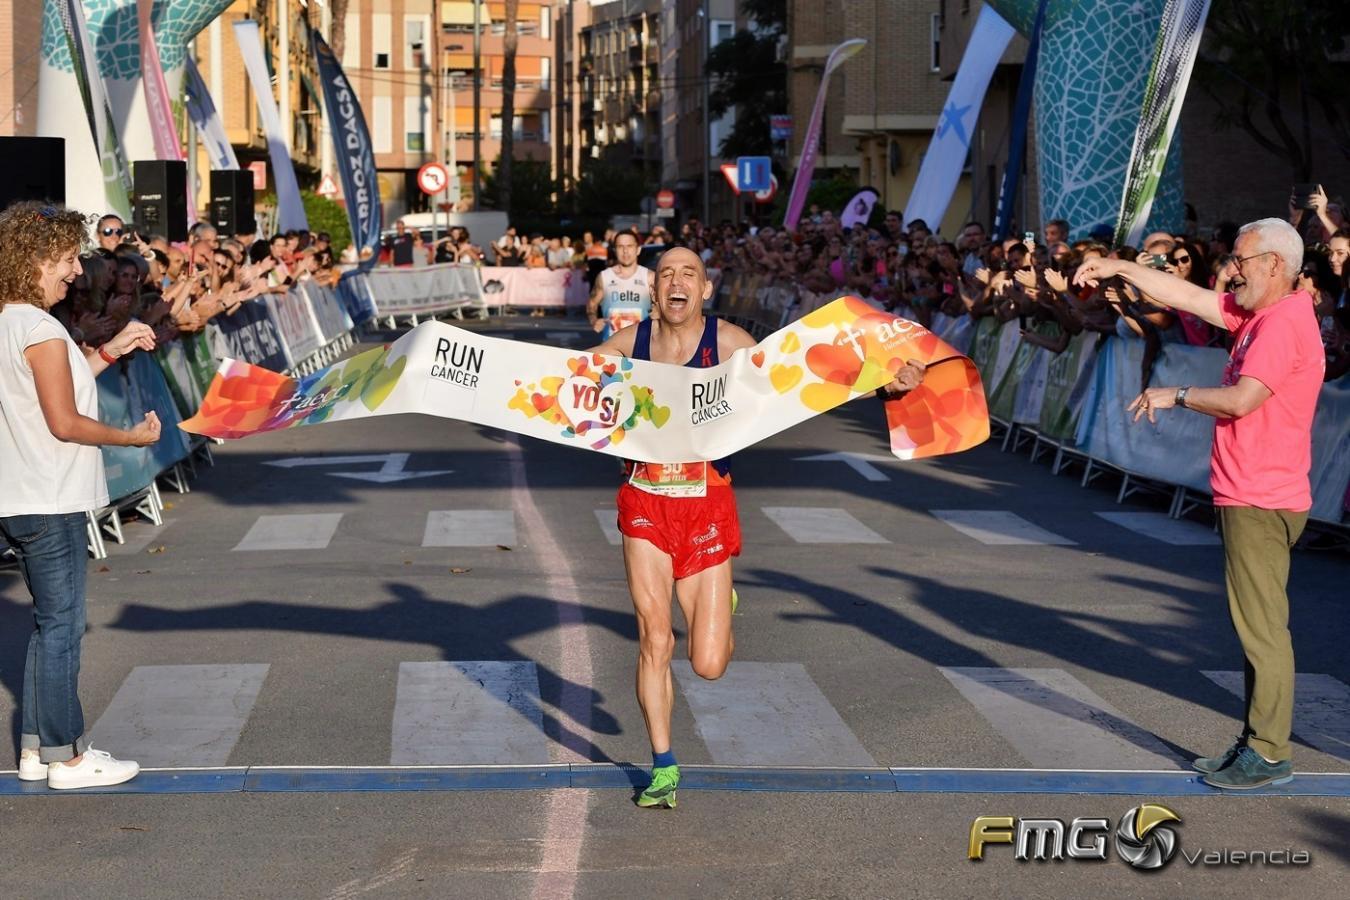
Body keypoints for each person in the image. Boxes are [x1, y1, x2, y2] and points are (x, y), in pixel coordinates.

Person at [590, 247, 927, 808]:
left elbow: (800, 379)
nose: (676, 282)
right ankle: (663, 766)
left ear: (705, 289)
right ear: (654, 289)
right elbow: (560, 384)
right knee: (655, 637)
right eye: (666, 274)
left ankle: (723, 602)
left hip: (707, 503)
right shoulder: (631, 343)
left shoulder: (728, 343)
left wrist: (882, 385)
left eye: (688, 274)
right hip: (644, 500)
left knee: (708, 663)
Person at [1075, 218, 1324, 790]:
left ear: (1275, 266)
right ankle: (1256, 742)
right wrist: (1119, 266)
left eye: (1241, 260)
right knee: (1255, 627)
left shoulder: (1283, 323)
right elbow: (1186, 296)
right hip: (1250, 492)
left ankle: (1269, 753)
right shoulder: (1261, 313)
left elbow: (1241, 400)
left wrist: (1178, 394)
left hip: (1261, 497)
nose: (1231, 270)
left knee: (1262, 630)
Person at [0, 202, 162, 789]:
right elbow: (64, 421)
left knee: (49, 626)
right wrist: (131, 437)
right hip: (50, 494)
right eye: (68, 259)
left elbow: (51, 393)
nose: (75, 272)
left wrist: (111, 349)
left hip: (21, 495)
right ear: (36, 259)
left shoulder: (11, 322)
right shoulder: (40, 328)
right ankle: (67, 758)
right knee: (62, 628)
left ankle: (35, 750)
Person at [587, 229, 654, 341]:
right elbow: (592, 303)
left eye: (629, 246)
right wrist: (594, 320)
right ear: (614, 250)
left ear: (638, 249)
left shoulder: (649, 277)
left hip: (641, 344)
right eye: (620, 246)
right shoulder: (604, 277)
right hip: (611, 345)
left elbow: (663, 307)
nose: (625, 251)